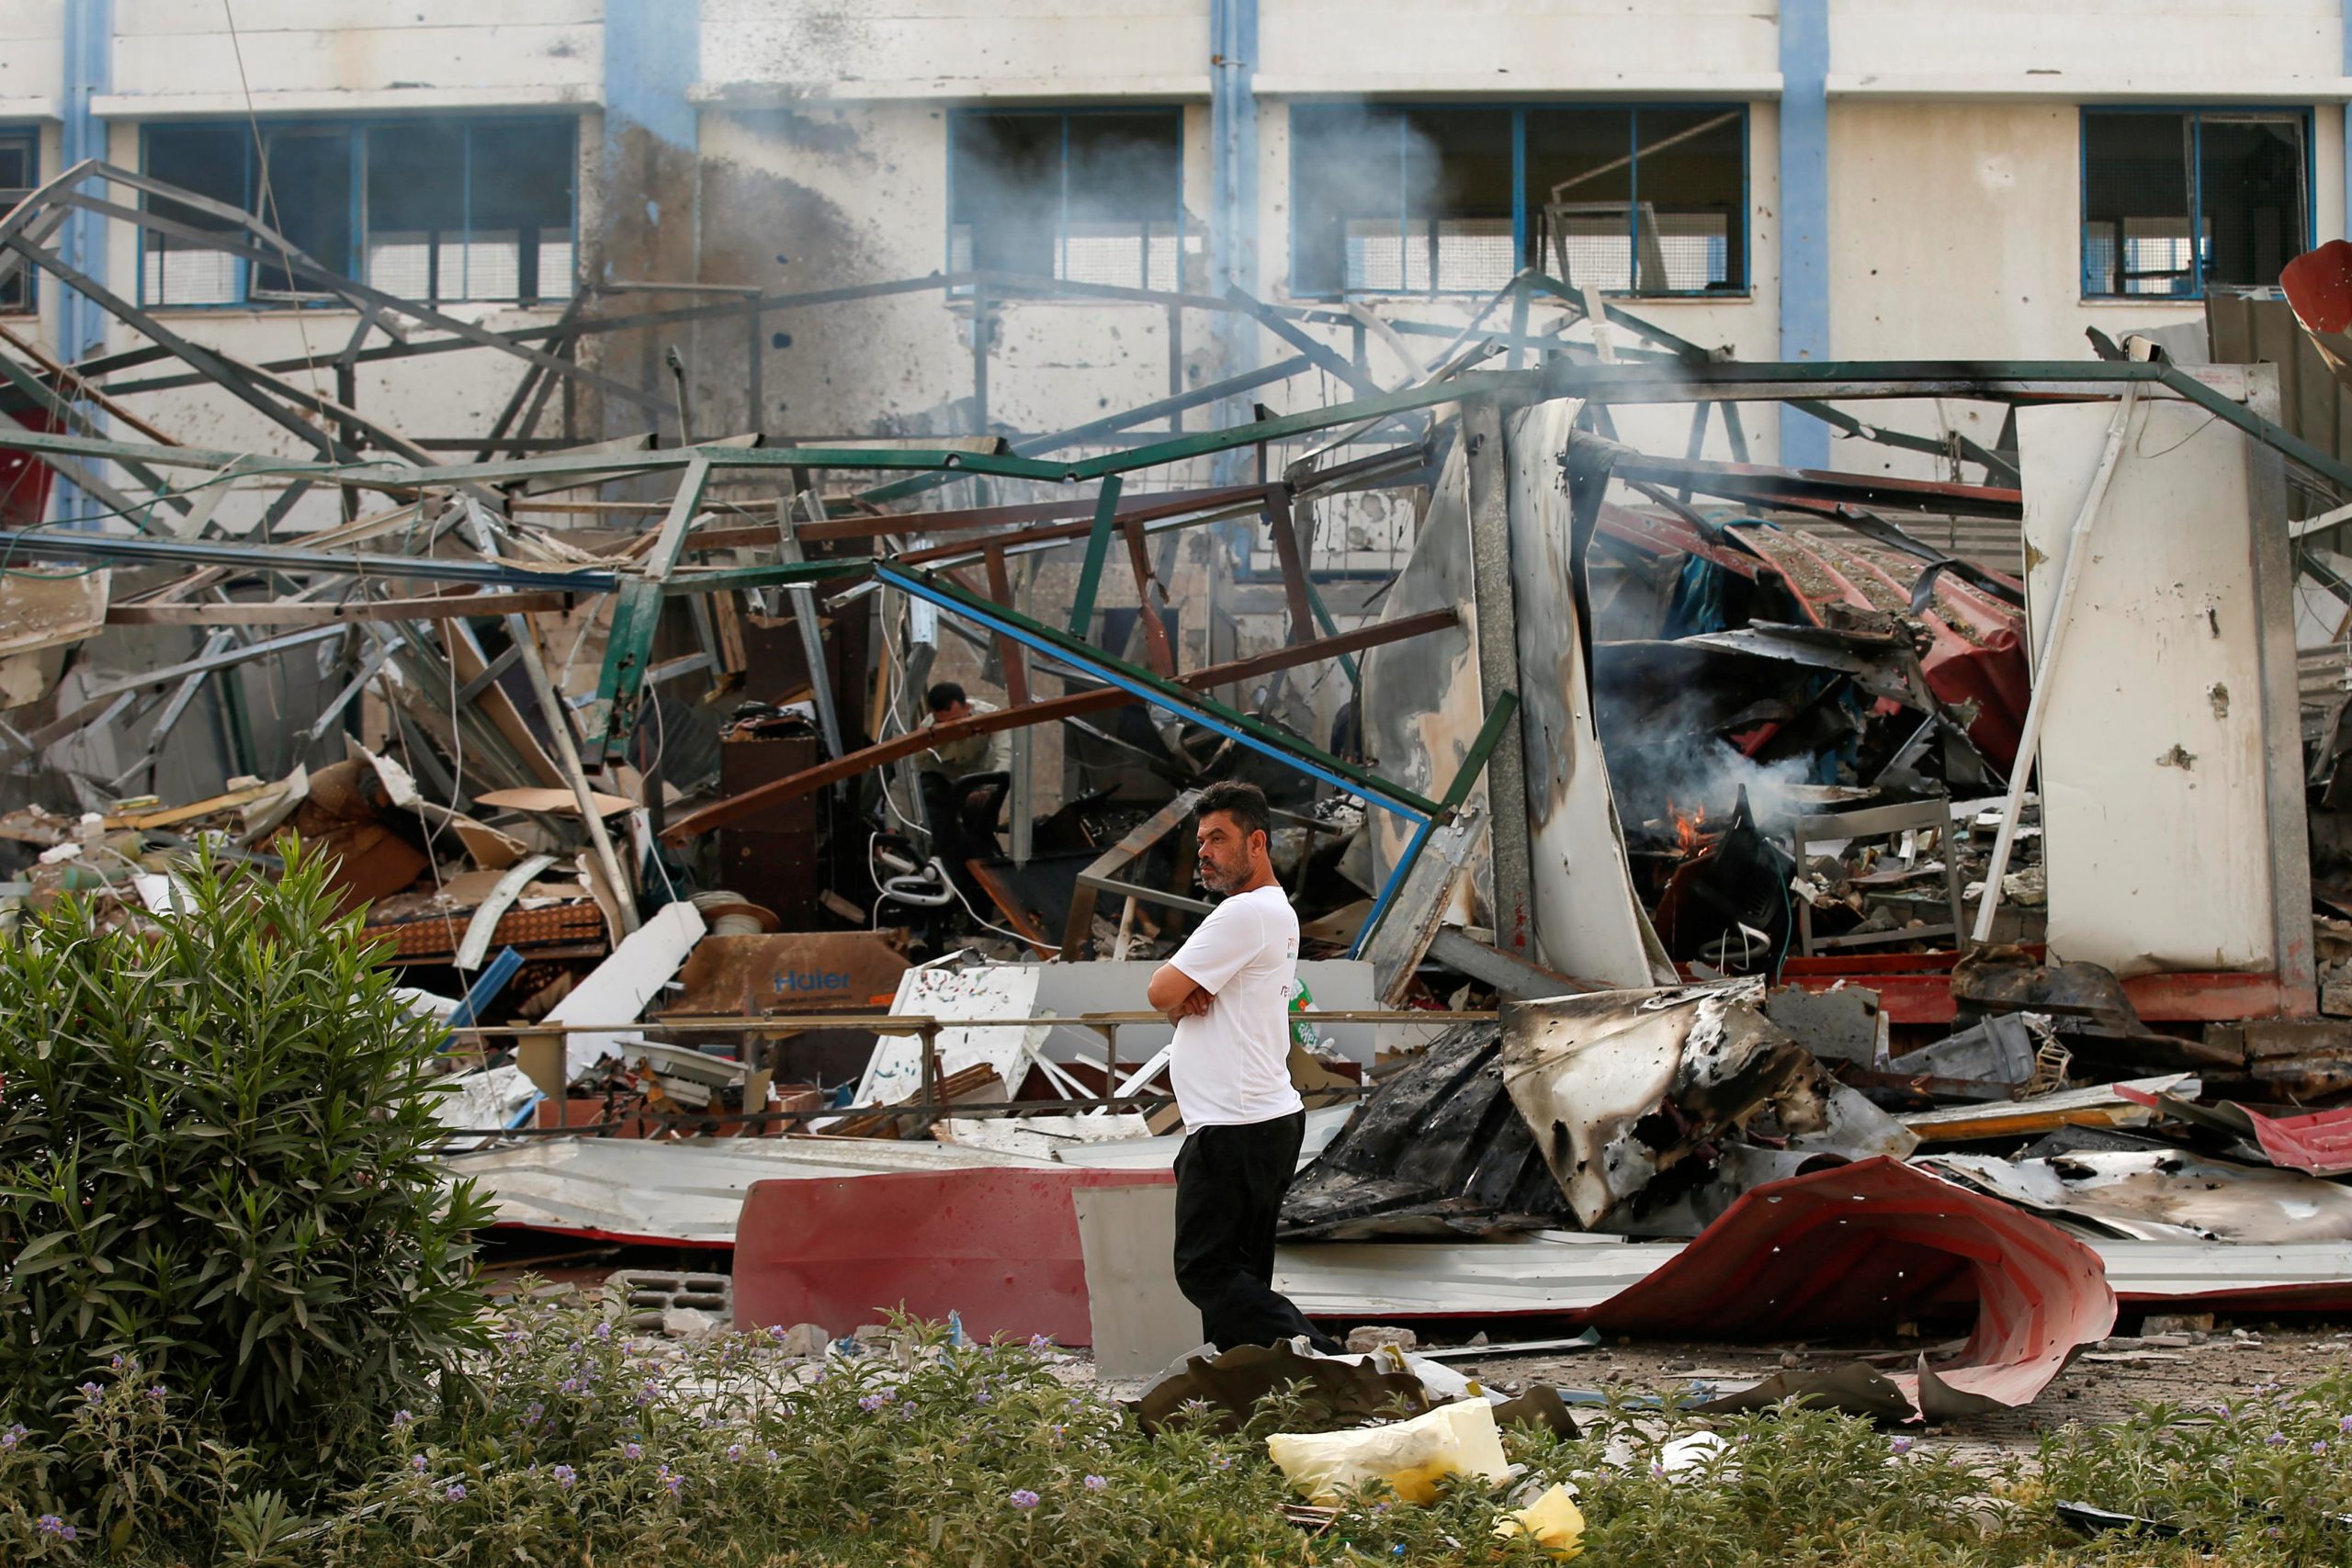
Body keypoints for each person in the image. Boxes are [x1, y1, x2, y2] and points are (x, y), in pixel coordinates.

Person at [1145, 780, 1340, 1353]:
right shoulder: (1273, 913)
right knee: (1241, 1283)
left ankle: (1333, 1363)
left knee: (1204, 1271)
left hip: (1236, 1126)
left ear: (1257, 843)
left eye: (1218, 839)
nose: (1204, 852)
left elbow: (1160, 990)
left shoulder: (1242, 913)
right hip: (1258, 1120)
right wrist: (1183, 998)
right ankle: (1258, 1403)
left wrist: (1177, 996)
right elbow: (1179, 1001)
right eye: (1201, 840)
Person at [917, 681, 1008, 781]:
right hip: (942, 777)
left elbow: (1005, 755)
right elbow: (914, 765)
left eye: (954, 721)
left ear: (967, 708)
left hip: (982, 773)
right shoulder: (928, 728)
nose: (949, 728)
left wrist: (991, 787)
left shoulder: (989, 715)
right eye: (941, 723)